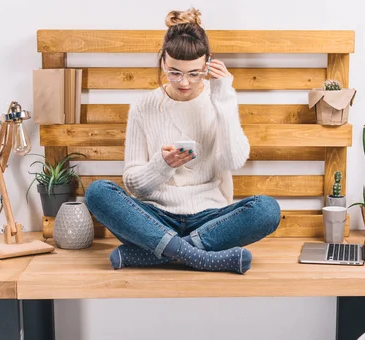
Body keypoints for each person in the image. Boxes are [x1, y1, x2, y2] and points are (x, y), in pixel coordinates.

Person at [85, 8, 281, 274]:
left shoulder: (219, 98)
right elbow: (133, 185)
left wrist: (224, 97)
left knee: (268, 210)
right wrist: (161, 165)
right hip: (154, 218)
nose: (185, 82)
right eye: (174, 72)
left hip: (209, 218)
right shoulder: (144, 106)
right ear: (163, 62)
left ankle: (161, 253)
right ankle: (199, 256)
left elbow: (233, 160)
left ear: (208, 65)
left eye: (194, 73)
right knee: (97, 192)